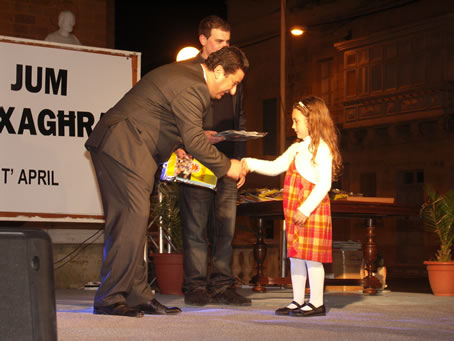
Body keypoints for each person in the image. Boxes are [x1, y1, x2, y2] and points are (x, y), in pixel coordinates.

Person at [85, 46, 249, 318]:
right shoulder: (194, 86)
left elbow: (163, 118)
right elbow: (195, 140)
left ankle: (137, 294)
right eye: (233, 83)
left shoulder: (188, 77)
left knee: (135, 218)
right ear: (219, 71)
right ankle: (109, 297)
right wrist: (226, 166)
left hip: (131, 145)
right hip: (123, 143)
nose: (232, 91)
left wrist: (181, 141)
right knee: (131, 216)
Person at [241, 96, 342, 317]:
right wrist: (249, 163)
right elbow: (276, 166)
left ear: (312, 120)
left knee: (312, 257)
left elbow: (324, 184)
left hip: (310, 209)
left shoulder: (321, 148)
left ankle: (316, 302)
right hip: (294, 208)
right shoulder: (297, 148)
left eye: (296, 121)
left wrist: (305, 209)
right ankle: (297, 300)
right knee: (296, 255)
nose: (293, 126)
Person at [176, 15, 251, 307]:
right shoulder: (184, 72)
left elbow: (240, 116)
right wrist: (185, 141)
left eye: (227, 42)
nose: (224, 46)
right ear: (203, 40)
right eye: (219, 41)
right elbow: (174, 117)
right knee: (195, 225)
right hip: (194, 157)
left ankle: (222, 285)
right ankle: (195, 286)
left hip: (227, 160)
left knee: (226, 226)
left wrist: (241, 160)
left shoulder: (235, 73)